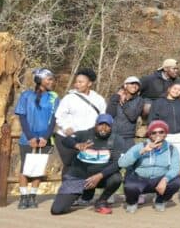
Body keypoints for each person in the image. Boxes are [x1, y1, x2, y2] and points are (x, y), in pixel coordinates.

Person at [50, 114, 124, 215]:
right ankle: (86, 193)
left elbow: (118, 164)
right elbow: (66, 140)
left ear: (111, 127)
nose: (104, 128)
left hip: (100, 178)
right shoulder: (85, 134)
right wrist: (76, 145)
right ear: (95, 125)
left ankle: (101, 201)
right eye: (101, 124)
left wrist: (99, 176)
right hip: (78, 176)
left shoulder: (117, 140)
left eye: (107, 125)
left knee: (116, 178)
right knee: (57, 210)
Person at [15, 68, 59, 209]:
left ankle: (33, 196)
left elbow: (54, 119)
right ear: (40, 80)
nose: (51, 82)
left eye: (52, 79)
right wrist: (30, 136)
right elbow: (22, 116)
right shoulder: (26, 95)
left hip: (44, 138)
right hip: (27, 138)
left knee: (38, 167)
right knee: (25, 167)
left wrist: (45, 137)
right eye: (49, 79)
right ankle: (23, 197)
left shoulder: (54, 97)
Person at [118, 120, 180, 213]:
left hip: (159, 180)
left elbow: (175, 168)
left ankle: (160, 201)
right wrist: (142, 151)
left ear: (165, 134)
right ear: (149, 134)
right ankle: (132, 202)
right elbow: (122, 163)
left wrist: (165, 180)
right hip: (140, 179)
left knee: (176, 182)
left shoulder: (172, 149)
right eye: (154, 132)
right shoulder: (140, 146)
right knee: (130, 185)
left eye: (161, 132)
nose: (157, 134)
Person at [55, 68, 107, 175]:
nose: (77, 84)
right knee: (70, 165)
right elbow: (59, 115)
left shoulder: (99, 99)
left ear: (89, 83)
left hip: (88, 139)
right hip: (69, 138)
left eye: (81, 82)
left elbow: (102, 117)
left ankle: (84, 191)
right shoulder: (69, 98)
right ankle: (68, 191)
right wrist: (66, 127)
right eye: (76, 82)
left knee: (87, 166)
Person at [149, 82, 180, 158]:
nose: (176, 91)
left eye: (179, 90)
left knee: (177, 162)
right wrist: (153, 136)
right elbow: (152, 121)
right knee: (163, 160)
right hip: (164, 136)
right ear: (169, 89)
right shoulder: (158, 102)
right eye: (174, 88)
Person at [107, 76, 144, 150]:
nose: (134, 86)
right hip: (112, 135)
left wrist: (124, 103)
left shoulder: (140, 100)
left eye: (137, 84)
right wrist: (116, 98)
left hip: (128, 137)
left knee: (128, 160)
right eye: (132, 83)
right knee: (111, 159)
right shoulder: (115, 97)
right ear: (125, 85)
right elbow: (109, 115)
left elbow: (133, 117)